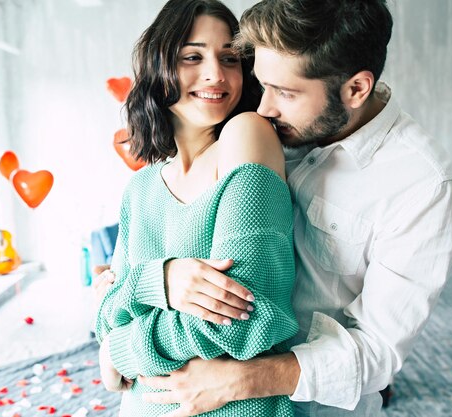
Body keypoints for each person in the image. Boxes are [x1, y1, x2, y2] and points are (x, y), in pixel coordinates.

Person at [98, 0, 452, 416]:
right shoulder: (263, 131)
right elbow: (114, 288)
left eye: (285, 93)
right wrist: (155, 281)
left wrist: (240, 378)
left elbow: (377, 351)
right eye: (262, 83)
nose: (263, 107)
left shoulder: (422, 186)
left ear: (355, 89)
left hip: (310, 404)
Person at [95, 0, 302, 415]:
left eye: (230, 58)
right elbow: (104, 314)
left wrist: (120, 350)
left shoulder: (247, 136)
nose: (216, 74)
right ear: (158, 67)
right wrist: (161, 279)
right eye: (193, 56)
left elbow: (243, 317)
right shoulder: (139, 189)